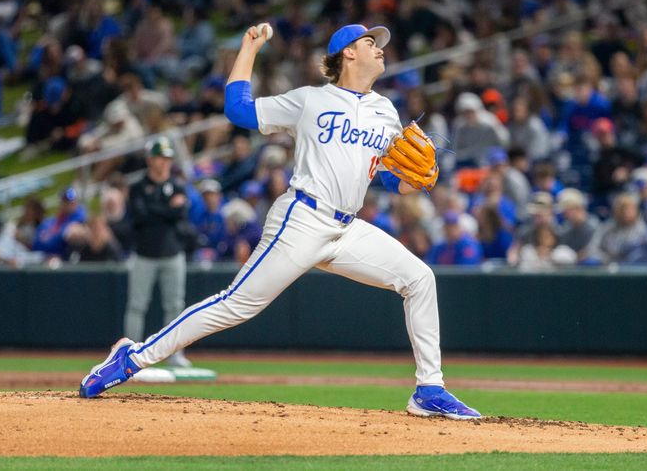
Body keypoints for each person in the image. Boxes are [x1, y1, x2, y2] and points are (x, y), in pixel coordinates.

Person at [79, 23, 482, 420]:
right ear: (348, 52)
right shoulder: (310, 100)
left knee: (419, 279)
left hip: (347, 228)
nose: (379, 48)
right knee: (235, 305)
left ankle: (429, 389)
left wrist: (416, 181)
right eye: (369, 42)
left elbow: (390, 179)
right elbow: (238, 109)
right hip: (302, 218)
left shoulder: (386, 111)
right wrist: (249, 49)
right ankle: (132, 357)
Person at [121, 136, 191, 369]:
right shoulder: (138, 187)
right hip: (145, 254)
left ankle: (174, 354)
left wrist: (156, 209)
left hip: (172, 253)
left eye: (167, 158)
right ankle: (128, 354)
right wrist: (167, 209)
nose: (164, 162)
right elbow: (140, 216)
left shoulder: (177, 185)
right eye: (160, 157)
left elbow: (180, 214)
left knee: (175, 306)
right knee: (137, 305)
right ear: (150, 159)